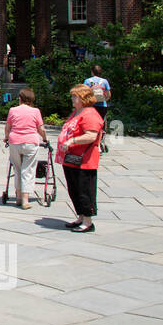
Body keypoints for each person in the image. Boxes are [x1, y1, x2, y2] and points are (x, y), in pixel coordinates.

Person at [58, 85, 105, 233]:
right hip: (71, 159)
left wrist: (72, 141)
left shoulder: (90, 114)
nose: (72, 99)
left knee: (84, 190)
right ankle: (80, 217)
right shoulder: (78, 111)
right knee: (74, 189)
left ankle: (88, 222)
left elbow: (91, 135)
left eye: (75, 96)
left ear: (83, 98)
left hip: (84, 160)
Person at [3, 87, 48, 210]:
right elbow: (41, 129)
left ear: (20, 99)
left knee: (17, 169)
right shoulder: (35, 111)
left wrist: (6, 137)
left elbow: (7, 127)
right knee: (27, 170)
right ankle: (25, 199)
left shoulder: (13, 110)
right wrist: (45, 139)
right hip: (30, 142)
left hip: (15, 141)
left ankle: (18, 196)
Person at [84, 64, 112, 151]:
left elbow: (83, 93)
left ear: (92, 72)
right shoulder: (105, 81)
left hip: (91, 106)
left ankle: (89, 143)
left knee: (89, 125)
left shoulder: (87, 81)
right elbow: (108, 94)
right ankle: (98, 145)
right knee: (100, 126)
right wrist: (104, 100)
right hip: (102, 106)